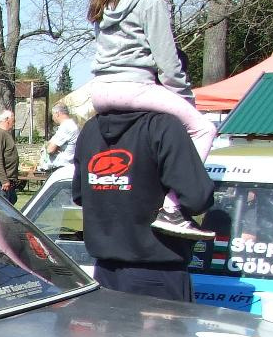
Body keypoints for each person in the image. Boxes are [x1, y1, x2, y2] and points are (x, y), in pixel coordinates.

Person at [88, 0, 215, 240]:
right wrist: (186, 101)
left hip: (101, 91)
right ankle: (172, 209)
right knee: (204, 128)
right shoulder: (150, 1)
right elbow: (168, 65)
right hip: (135, 87)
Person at [72, 108, 214, 302]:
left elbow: (80, 194)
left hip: (106, 273)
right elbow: (197, 198)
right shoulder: (163, 126)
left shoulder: (90, 129)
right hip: (157, 275)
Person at [38, 102, 79, 173]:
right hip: (64, 167)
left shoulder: (66, 127)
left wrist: (49, 147)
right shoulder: (69, 125)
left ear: (57, 113)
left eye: (53, 115)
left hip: (62, 169)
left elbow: (50, 149)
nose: (53, 118)